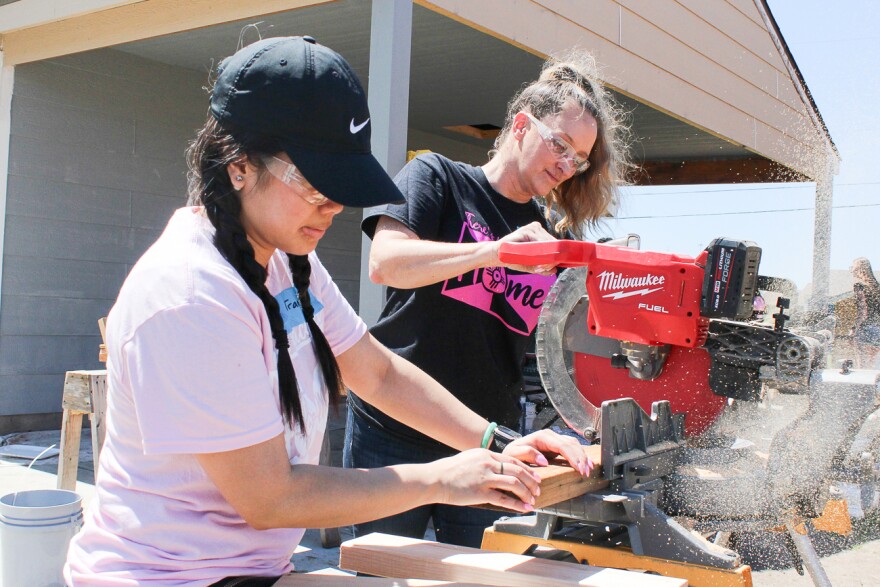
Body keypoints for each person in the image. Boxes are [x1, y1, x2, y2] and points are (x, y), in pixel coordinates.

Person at [63, 36, 590, 587]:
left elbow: (377, 372)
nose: (334, 206)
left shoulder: (290, 262)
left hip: (249, 570)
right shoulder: (193, 295)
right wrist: (442, 479)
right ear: (239, 165)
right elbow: (271, 498)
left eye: (341, 188)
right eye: (315, 186)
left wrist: (498, 442)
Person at [345, 50, 630, 547]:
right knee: (381, 570)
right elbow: (385, 263)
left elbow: (555, 351)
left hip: (487, 440)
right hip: (391, 431)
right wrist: (493, 254)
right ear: (521, 125)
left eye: (578, 158)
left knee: (478, 573)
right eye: (559, 145)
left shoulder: (552, 238)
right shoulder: (438, 177)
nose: (567, 165)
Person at [851, 257, 880, 367]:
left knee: (862, 366)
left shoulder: (859, 285)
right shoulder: (877, 287)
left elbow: (863, 310)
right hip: (878, 330)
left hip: (865, 329)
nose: (852, 271)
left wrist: (854, 328)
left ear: (859, 269)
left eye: (853, 268)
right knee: (873, 366)